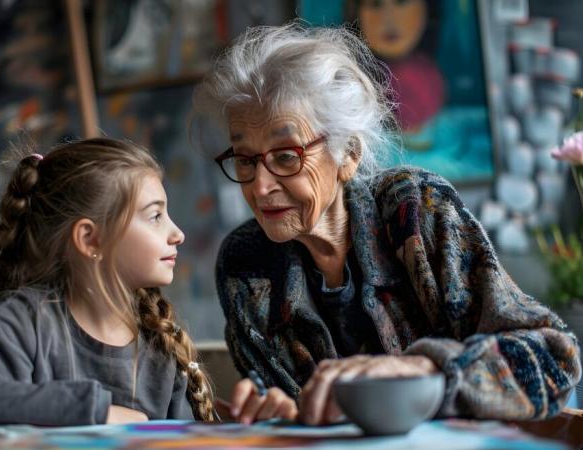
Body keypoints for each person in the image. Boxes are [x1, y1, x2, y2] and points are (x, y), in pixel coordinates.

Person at [190, 22, 581, 426]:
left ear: (348, 155)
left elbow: (553, 357)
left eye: (286, 156)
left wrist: (425, 370)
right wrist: (283, 413)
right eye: (245, 159)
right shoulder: (247, 263)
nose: (260, 185)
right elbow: (292, 407)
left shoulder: (414, 211)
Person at [0, 138, 216, 425]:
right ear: (90, 239)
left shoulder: (159, 341)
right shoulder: (27, 320)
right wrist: (92, 411)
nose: (177, 233)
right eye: (155, 216)